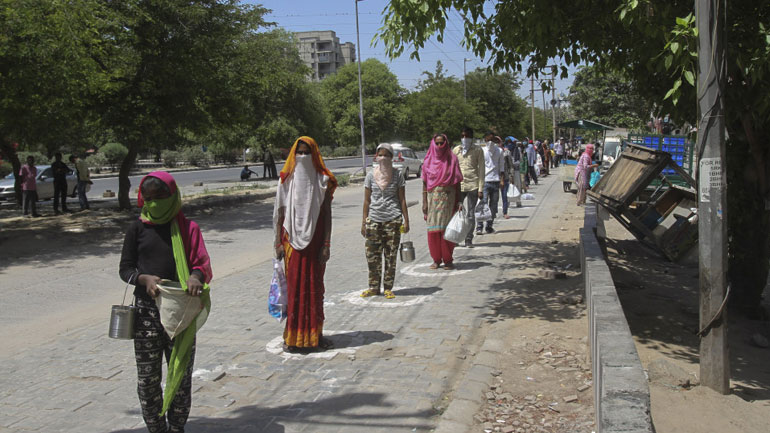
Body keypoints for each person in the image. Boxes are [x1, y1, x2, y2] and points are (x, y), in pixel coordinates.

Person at [119, 171, 212, 433]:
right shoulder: (137, 229)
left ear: (172, 196)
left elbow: (201, 264)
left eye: (160, 197)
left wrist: (195, 276)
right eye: (148, 198)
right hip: (146, 315)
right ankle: (156, 428)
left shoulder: (189, 229)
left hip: (180, 313)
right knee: (147, 380)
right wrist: (143, 279)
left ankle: (177, 427)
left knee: (180, 376)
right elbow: (125, 269)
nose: (154, 203)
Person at [273, 136, 337, 352]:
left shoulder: (323, 181)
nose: (302, 157)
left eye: (306, 153)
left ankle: (316, 336)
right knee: (294, 291)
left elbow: (327, 214)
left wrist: (326, 244)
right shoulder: (286, 180)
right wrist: (277, 242)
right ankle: (293, 338)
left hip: (316, 243)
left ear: (314, 155)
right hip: (291, 243)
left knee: (315, 289)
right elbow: (279, 213)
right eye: (298, 153)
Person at [360, 143, 410, 299]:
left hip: (393, 220)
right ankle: (373, 287)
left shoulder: (397, 175)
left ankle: (388, 287)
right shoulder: (370, 176)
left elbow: (402, 199)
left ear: (391, 157)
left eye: (386, 155)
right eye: (380, 155)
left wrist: (406, 220)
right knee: (372, 256)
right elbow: (367, 200)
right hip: (374, 220)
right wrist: (364, 222)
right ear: (376, 157)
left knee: (390, 256)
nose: (383, 158)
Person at [422, 133, 463, 269]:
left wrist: (459, 201)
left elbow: (457, 182)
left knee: (447, 230)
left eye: (442, 143)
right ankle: (436, 259)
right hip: (433, 200)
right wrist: (424, 202)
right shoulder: (428, 161)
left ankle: (448, 259)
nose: (440, 146)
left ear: (446, 143)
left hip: (449, 200)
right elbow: (424, 182)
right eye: (437, 143)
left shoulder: (452, 159)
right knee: (433, 230)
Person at [452, 126, 484, 248]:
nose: (465, 138)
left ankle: (469, 238)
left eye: (467, 136)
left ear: (471, 137)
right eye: (463, 136)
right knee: (457, 213)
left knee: (470, 214)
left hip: (473, 185)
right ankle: (456, 237)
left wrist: (480, 188)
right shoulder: (456, 150)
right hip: (459, 186)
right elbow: (452, 168)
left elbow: (481, 169)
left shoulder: (478, 150)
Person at [476, 131, 505, 235]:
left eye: (492, 140)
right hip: (484, 181)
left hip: (495, 181)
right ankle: (479, 226)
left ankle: (489, 226)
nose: (490, 142)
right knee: (482, 204)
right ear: (485, 140)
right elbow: (478, 167)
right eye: (488, 140)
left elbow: (501, 166)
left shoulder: (499, 151)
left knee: (493, 205)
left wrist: (502, 180)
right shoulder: (482, 151)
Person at [505, 137, 523, 208]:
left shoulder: (515, 150)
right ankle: (512, 202)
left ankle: (513, 202)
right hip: (511, 171)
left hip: (511, 171)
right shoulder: (508, 150)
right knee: (512, 187)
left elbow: (520, 159)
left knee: (513, 186)